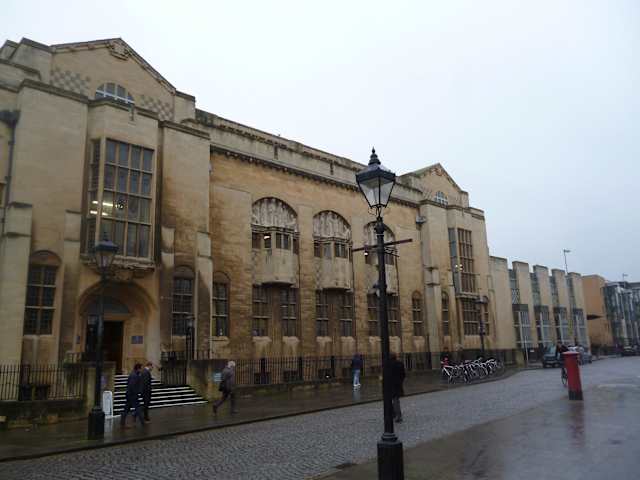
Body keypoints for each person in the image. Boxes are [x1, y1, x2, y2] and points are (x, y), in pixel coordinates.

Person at [120, 363, 144, 428]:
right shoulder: (134, 375)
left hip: (130, 395)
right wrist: (136, 393)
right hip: (132, 395)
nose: (142, 370)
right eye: (141, 368)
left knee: (126, 409)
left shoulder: (134, 374)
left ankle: (122, 423)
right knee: (138, 409)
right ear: (138, 368)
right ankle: (143, 422)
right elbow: (132, 386)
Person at [389, 353, 406, 423]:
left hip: (391, 384)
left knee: (394, 400)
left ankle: (398, 416)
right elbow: (403, 375)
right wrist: (400, 381)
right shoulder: (400, 363)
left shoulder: (389, 365)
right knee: (396, 400)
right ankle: (393, 414)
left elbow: (387, 375)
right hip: (398, 384)